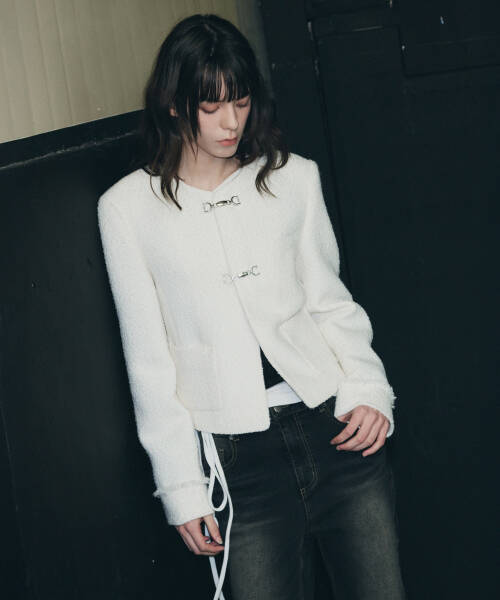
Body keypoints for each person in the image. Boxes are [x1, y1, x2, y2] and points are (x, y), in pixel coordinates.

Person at [97, 13, 406, 600]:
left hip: (334, 427)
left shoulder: (294, 179)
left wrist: (368, 390)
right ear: (174, 104)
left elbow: (331, 304)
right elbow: (149, 363)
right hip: (238, 460)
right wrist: (181, 487)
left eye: (240, 102)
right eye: (211, 106)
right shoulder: (127, 209)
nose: (231, 122)